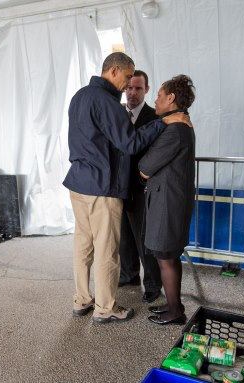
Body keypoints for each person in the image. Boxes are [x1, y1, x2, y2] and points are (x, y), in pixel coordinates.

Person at [64, 53, 188, 324]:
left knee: (82, 246)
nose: (128, 83)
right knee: (107, 249)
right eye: (128, 76)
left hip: (78, 183)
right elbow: (130, 144)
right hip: (101, 186)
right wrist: (163, 122)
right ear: (115, 71)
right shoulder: (108, 102)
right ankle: (105, 308)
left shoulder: (79, 96)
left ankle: (82, 299)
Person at [138, 74, 196, 325]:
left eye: (159, 96)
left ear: (171, 98)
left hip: (168, 204)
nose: (156, 100)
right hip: (170, 200)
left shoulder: (175, 131)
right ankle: (175, 306)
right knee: (170, 257)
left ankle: (175, 312)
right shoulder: (180, 127)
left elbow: (145, 167)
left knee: (165, 258)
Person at [118, 70, 163, 305]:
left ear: (146, 89)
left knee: (145, 240)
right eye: (129, 88)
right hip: (119, 188)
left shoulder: (155, 117)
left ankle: (154, 285)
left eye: (137, 88)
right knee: (123, 236)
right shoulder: (117, 114)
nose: (132, 92)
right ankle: (129, 275)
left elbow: (156, 154)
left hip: (142, 188)